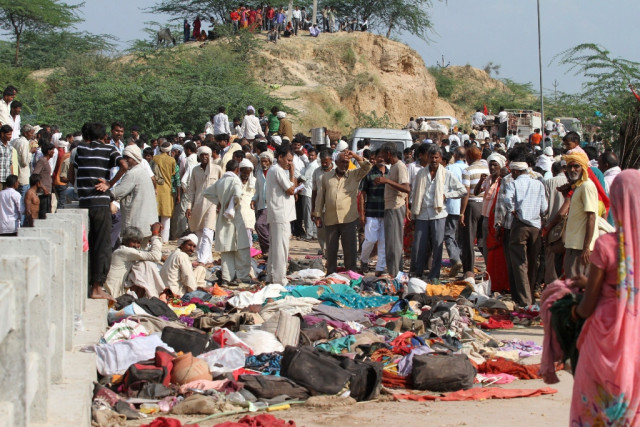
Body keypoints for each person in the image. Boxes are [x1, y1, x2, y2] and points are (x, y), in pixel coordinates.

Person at [569, 169, 640, 425]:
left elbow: (588, 307)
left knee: (594, 410)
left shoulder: (607, 245)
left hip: (604, 338)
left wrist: (573, 312)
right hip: (636, 343)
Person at [71, 122, 128, 301]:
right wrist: (109, 183)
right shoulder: (108, 149)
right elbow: (124, 166)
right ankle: (97, 287)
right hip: (100, 203)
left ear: (85, 136)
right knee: (102, 246)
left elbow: (74, 173)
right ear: (104, 135)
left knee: (86, 245)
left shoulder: (77, 150)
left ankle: (88, 284)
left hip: (84, 202)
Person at [410, 144, 466, 279]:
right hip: (422, 213)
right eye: (431, 157)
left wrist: (446, 195)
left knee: (437, 246)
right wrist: (412, 213)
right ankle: (417, 272)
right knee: (419, 246)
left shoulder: (446, 174)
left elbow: (462, 190)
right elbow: (415, 192)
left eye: (436, 157)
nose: (434, 160)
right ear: (428, 158)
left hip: (438, 214)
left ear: (441, 159)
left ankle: (434, 274)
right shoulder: (421, 173)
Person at [314, 150, 371, 274]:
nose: (344, 165)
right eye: (342, 162)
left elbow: (367, 167)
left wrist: (355, 156)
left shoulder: (354, 174)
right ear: (336, 163)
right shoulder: (326, 177)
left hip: (348, 219)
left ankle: (350, 274)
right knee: (331, 250)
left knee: (350, 250)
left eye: (347, 162)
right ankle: (331, 274)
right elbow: (320, 197)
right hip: (330, 218)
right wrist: (317, 215)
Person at [502, 160, 547, 306]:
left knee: (520, 263)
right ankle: (531, 298)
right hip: (535, 226)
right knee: (533, 262)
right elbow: (544, 207)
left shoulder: (513, 184)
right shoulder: (538, 184)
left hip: (520, 225)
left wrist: (513, 210)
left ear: (515, 172)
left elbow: (507, 200)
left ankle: (524, 300)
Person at [98, 145, 158, 245]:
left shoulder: (133, 173)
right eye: (124, 157)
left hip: (137, 224)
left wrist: (103, 192)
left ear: (134, 158)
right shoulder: (142, 171)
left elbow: (118, 192)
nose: (125, 160)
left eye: (127, 158)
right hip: (147, 222)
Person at [204, 159, 252, 284]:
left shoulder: (220, 181)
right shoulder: (235, 180)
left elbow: (207, 193)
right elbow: (237, 194)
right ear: (237, 170)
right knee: (242, 249)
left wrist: (220, 201)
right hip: (234, 218)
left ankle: (227, 278)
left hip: (222, 218)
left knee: (226, 251)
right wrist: (233, 205)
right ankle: (243, 276)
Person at [104, 224, 165, 299]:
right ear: (125, 241)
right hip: (114, 291)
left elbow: (150, 255)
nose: (136, 245)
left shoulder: (128, 251)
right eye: (133, 242)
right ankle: (152, 297)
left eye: (138, 242)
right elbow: (155, 255)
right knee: (145, 266)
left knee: (145, 265)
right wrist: (155, 234)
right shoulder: (123, 251)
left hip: (122, 288)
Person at [376, 143, 410, 277]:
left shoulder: (400, 167)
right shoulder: (394, 167)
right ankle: (394, 271)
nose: (382, 157)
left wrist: (386, 181)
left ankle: (395, 273)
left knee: (394, 243)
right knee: (390, 242)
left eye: (383, 154)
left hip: (395, 207)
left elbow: (406, 188)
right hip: (390, 207)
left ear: (389, 154)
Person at [563, 151, 598, 277]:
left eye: (576, 166)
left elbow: (591, 217)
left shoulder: (586, 186)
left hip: (581, 248)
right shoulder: (578, 187)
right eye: (570, 166)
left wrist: (586, 248)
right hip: (574, 245)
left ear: (583, 168)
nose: (572, 169)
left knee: (578, 288)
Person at [186, 146, 223, 265]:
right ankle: (207, 257)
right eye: (202, 155)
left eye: (206, 154)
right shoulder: (195, 170)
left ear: (210, 155)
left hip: (212, 205)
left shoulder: (217, 169)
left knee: (208, 231)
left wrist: (221, 203)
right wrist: (188, 206)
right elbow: (191, 190)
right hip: (198, 205)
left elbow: (222, 187)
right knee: (200, 233)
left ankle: (201, 260)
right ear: (199, 156)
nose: (204, 157)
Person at [266, 147, 297, 285]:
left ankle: (272, 276)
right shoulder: (277, 170)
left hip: (279, 213)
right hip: (281, 214)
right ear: (280, 157)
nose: (289, 163)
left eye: (291, 161)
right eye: (288, 160)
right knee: (281, 248)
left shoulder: (276, 170)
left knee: (275, 247)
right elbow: (291, 190)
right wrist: (292, 173)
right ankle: (279, 279)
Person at [460, 146, 489, 274]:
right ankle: (489, 266)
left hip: (472, 205)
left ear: (469, 157)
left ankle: (469, 269)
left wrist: (462, 212)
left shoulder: (467, 171)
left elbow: (466, 192)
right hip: (485, 205)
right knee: (483, 240)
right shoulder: (487, 170)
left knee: (469, 240)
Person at [359, 150, 387, 275]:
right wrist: (362, 214)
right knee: (370, 240)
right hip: (371, 212)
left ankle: (380, 268)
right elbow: (361, 195)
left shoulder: (390, 173)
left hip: (386, 213)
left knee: (383, 242)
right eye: (378, 157)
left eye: (382, 157)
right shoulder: (369, 173)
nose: (381, 159)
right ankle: (364, 260)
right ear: (374, 159)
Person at [542, 161, 568, 284]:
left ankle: (551, 286)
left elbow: (544, 207)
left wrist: (546, 225)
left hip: (552, 225)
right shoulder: (572, 183)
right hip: (567, 227)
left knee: (551, 258)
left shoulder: (549, 182)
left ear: (553, 171)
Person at [152, 141, 176, 242]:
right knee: (166, 216)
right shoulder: (172, 160)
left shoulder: (154, 158)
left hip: (155, 188)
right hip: (166, 189)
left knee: (154, 214)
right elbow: (173, 173)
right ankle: (165, 239)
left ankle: (154, 238)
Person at [33, 142, 55, 218]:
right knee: (43, 214)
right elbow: (35, 175)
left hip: (47, 191)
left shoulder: (46, 161)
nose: (54, 152)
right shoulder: (42, 161)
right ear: (49, 151)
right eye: (52, 150)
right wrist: (43, 188)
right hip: (43, 193)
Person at [238, 158, 256, 246]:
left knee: (247, 230)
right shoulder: (235, 181)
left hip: (248, 209)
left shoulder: (254, 181)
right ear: (240, 171)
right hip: (237, 208)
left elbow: (257, 195)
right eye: (244, 172)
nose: (246, 175)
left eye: (248, 173)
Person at [0, 124, 13, 189]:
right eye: (8, 134)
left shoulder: (10, 147)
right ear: (2, 134)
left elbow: (10, 163)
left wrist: (12, 177)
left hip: (7, 179)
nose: (10, 136)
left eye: (11, 134)